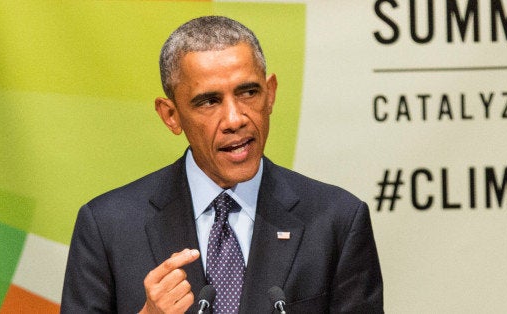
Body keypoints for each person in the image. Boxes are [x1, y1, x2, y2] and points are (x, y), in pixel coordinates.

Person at [61, 16, 383, 313]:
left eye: (248, 92)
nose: (234, 119)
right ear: (171, 115)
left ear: (270, 94)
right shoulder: (107, 228)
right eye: (209, 101)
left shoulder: (336, 221)